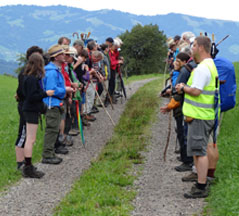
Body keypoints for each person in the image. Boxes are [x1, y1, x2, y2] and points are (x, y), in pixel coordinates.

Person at [176, 36, 219, 198]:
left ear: (201, 47)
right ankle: (202, 181)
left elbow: (196, 91)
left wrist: (183, 87)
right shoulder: (210, 65)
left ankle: (201, 186)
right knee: (198, 150)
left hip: (199, 116)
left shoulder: (202, 68)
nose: (191, 49)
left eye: (193, 46)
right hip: (204, 115)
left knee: (200, 152)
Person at [22, 53, 54, 178]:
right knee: (30, 139)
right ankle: (28, 167)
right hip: (31, 110)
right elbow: (31, 97)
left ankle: (28, 165)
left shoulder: (29, 77)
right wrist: (46, 93)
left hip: (31, 109)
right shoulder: (31, 79)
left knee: (31, 138)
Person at [14, 46, 44, 171]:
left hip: (28, 104)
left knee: (26, 134)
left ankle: (24, 161)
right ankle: (20, 162)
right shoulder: (26, 73)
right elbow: (22, 91)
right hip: (25, 105)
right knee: (23, 134)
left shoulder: (30, 73)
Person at [41, 44, 66, 164]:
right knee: (51, 129)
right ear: (56, 57)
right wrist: (65, 90)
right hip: (51, 104)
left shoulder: (54, 70)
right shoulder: (51, 72)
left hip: (55, 103)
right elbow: (52, 90)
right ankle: (47, 154)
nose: (64, 56)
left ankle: (50, 152)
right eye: (62, 54)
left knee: (54, 128)